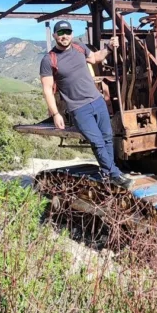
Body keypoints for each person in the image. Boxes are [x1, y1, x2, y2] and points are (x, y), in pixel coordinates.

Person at [39, 20, 132, 189]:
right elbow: (47, 90)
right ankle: (115, 174)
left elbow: (95, 58)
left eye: (67, 32)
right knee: (97, 142)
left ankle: (108, 174)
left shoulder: (79, 47)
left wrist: (109, 48)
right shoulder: (49, 60)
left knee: (107, 139)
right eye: (60, 33)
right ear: (54, 36)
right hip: (78, 109)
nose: (64, 36)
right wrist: (56, 114)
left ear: (72, 34)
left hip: (97, 101)